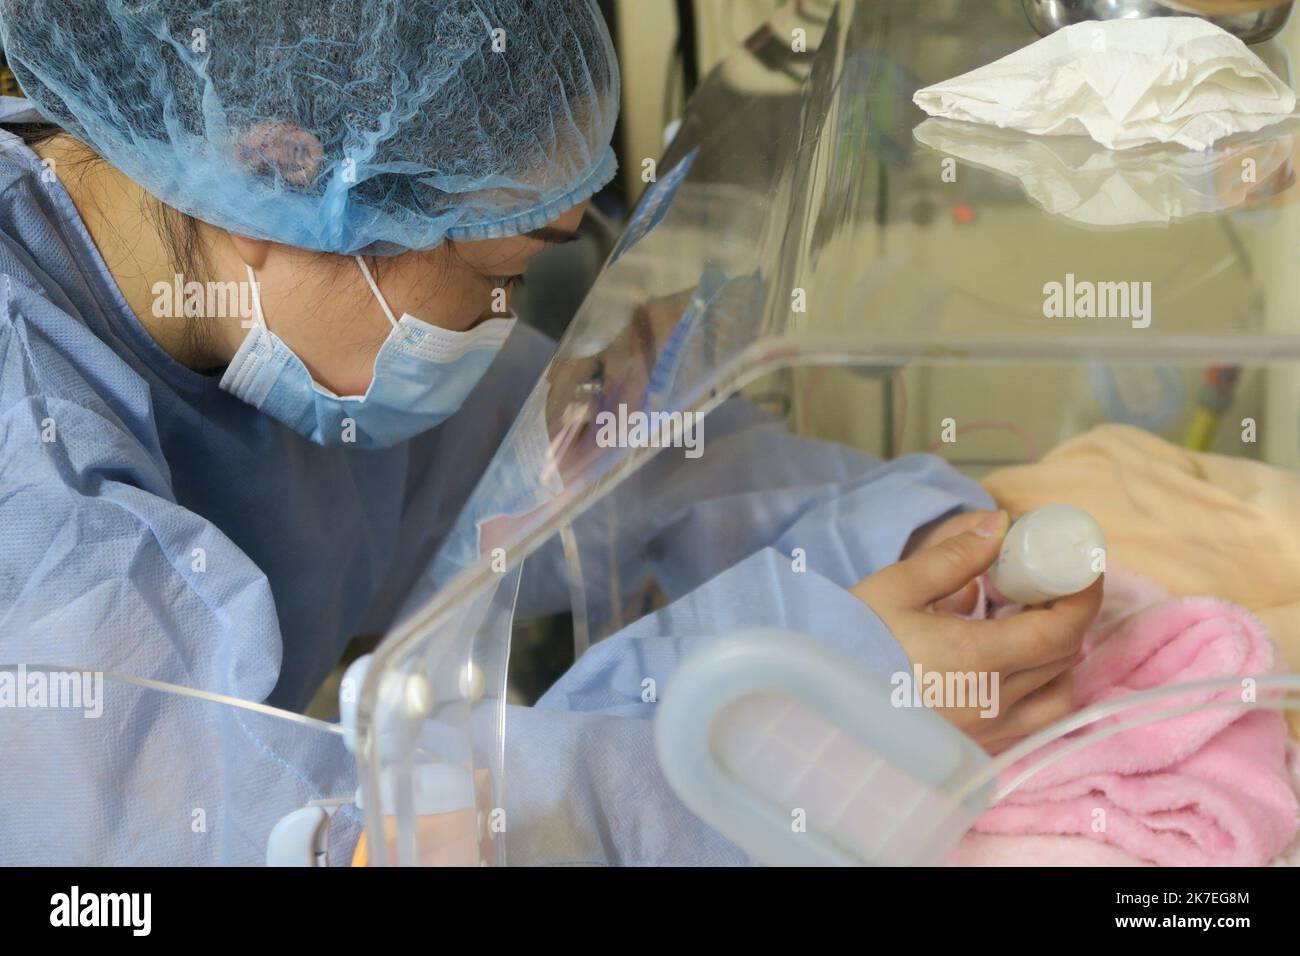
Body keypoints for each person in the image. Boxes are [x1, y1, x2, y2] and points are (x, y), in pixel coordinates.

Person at [0, 0, 1099, 865]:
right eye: (499, 274)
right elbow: (350, 842)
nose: (506, 326)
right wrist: (799, 716)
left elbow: (584, 463)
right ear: (267, 178)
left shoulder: (287, 299)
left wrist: (910, 538)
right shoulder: (39, 525)